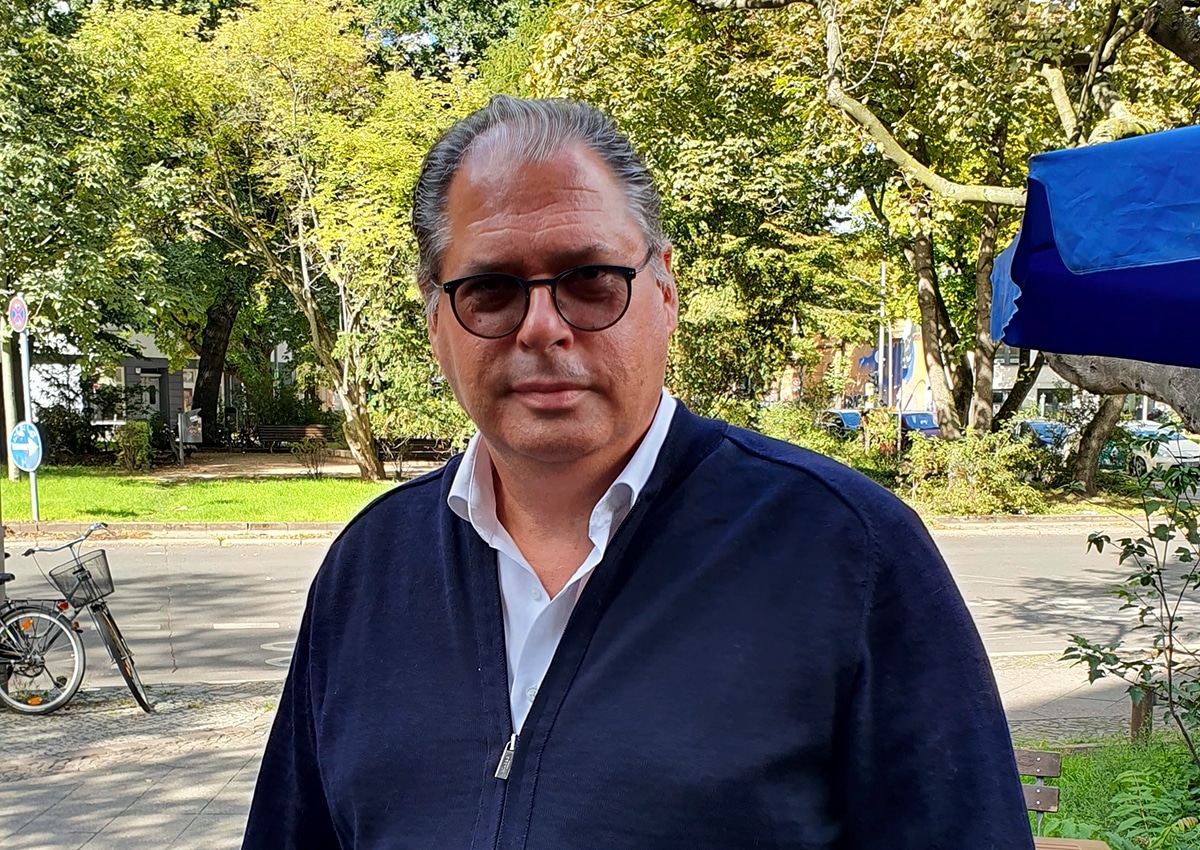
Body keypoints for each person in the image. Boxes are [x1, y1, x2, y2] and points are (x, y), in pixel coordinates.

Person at [242, 95, 1033, 850]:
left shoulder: (846, 551)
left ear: (664, 289)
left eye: (590, 279)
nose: (543, 328)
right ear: (436, 319)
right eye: (490, 289)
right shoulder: (369, 570)